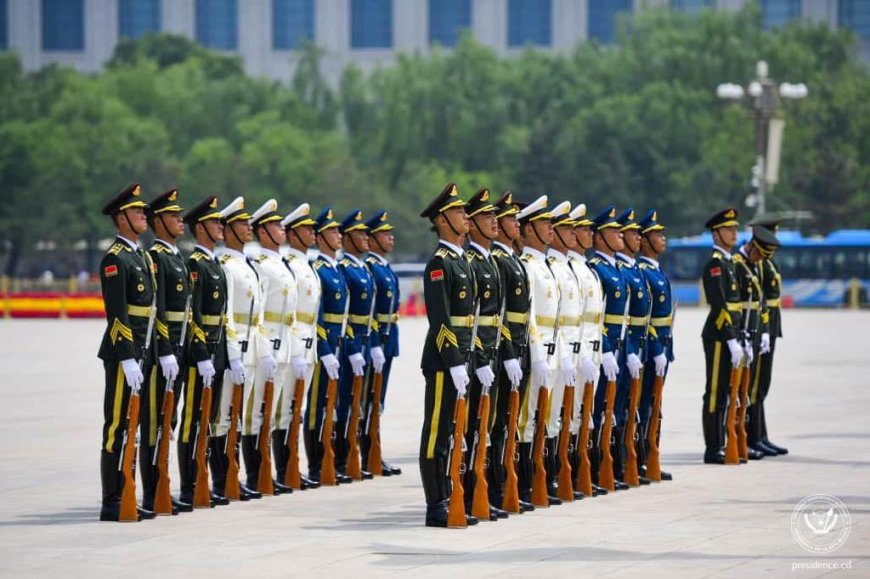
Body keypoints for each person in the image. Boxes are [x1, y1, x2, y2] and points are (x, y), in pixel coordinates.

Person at [418, 183, 478, 528]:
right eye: (458, 212)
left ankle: (452, 494)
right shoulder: (439, 264)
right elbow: (440, 320)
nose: (465, 216)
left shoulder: (462, 261)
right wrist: (455, 361)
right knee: (437, 433)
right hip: (443, 362)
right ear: (442, 221)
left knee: (455, 432)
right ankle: (435, 503)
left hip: (463, 358)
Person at [97, 183, 157, 522]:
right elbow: (116, 315)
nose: (144, 215)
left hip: (143, 352)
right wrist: (127, 356)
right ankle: (112, 499)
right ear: (121, 218)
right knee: (118, 425)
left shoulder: (142, 257)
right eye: (137, 212)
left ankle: (128, 492)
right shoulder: (115, 259)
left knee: (135, 424)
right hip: (125, 355)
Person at [215, 196, 271, 499]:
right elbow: (226, 316)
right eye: (241, 224)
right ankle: (221, 480)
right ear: (227, 230)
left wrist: (263, 353)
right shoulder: (226, 266)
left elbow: (257, 316)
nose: (248, 228)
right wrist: (234, 355)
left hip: (251, 350)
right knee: (223, 416)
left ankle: (235, 477)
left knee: (240, 415)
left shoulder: (247, 266)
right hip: (233, 350)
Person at [178, 196, 230, 507]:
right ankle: (189, 485)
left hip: (218, 349)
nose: (220, 227)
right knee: (192, 419)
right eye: (215, 222)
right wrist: (200, 354)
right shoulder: (195, 265)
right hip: (202, 354)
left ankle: (202, 482)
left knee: (209, 419)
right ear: (200, 228)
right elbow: (193, 316)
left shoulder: (214, 263)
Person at [463, 189, 509, 520]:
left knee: (488, 426)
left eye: (495, 217)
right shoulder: (471, 263)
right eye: (486, 217)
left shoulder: (492, 262)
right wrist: (479, 360)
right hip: (476, 358)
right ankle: (465, 496)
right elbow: (470, 321)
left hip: (493, 353)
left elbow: (499, 317)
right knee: (471, 429)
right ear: (471, 224)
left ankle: (485, 493)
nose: (494, 222)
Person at [516, 195, 564, 507]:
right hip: (538, 350)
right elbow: (530, 314)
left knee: (552, 417)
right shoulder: (528, 266)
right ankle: (524, 483)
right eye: (545, 224)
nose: (551, 229)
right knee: (528, 418)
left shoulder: (548, 266)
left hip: (555, 348)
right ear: (530, 229)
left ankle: (546, 478)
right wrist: (536, 352)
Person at [143, 189, 188, 514]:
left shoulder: (175, 256)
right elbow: (156, 310)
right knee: (155, 421)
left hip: (179, 349)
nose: (180, 220)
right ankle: (152, 491)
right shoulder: (156, 257)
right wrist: (165, 350)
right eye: (173, 216)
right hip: (164, 352)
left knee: (167, 420)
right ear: (158, 222)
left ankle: (162, 486)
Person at [247, 199, 296, 494]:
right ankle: (255, 475)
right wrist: (264, 348)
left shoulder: (281, 263)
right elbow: (259, 312)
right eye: (276, 226)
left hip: (287, 343)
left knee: (279, 411)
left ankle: (269, 471)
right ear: (263, 232)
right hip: (268, 344)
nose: (282, 229)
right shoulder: (262, 266)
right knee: (256, 413)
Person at [489, 192, 531, 513]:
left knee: (509, 420)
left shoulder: (512, 259)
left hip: (520, 347)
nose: (517, 224)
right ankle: (493, 486)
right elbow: (499, 315)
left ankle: (504, 483)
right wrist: (507, 352)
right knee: (496, 422)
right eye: (511, 219)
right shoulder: (499, 262)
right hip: (505, 351)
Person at [277, 203, 322, 490]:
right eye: (306, 228)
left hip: (308, 343)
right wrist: (294, 351)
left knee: (298, 408)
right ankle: (283, 469)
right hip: (294, 342)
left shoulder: (306, 264)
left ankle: (291, 466)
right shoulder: (291, 266)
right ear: (293, 234)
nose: (312, 232)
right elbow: (290, 313)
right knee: (283, 409)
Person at [307, 208, 353, 485]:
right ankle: (316, 465)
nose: (338, 236)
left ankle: (333, 460)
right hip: (326, 347)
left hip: (341, 344)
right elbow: (318, 316)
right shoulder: (319, 270)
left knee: (335, 405)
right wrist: (324, 350)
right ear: (320, 237)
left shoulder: (335, 268)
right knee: (317, 407)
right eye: (333, 231)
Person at [587, 206, 630, 491]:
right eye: (613, 231)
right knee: (600, 408)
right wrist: (603, 349)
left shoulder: (618, 269)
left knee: (618, 407)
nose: (619, 235)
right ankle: (595, 468)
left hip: (622, 347)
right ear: (600, 237)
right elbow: (596, 315)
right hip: (605, 349)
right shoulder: (597, 270)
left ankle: (614, 465)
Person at [567, 203, 607, 496]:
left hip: (588, 349)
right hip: (569, 351)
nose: (588, 233)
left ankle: (582, 474)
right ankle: (557, 477)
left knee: (584, 414)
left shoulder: (586, 269)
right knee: (562, 415)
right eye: (581, 229)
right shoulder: (569, 268)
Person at [732, 225, 780, 459]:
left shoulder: (752, 264)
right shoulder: (737, 264)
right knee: (746, 389)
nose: (761, 259)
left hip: (757, 331)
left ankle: (758, 436)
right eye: (759, 253)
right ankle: (748, 437)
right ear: (752, 246)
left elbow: (760, 303)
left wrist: (765, 330)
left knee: (759, 386)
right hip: (744, 333)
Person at [700, 208, 744, 465]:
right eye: (728, 229)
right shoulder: (715, 264)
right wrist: (730, 338)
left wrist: (741, 337)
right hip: (718, 336)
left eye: (735, 228)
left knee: (728, 391)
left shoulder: (729, 262)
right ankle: (713, 447)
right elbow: (719, 305)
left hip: (732, 335)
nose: (734, 233)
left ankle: (723, 442)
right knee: (715, 391)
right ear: (716, 233)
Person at [335, 210, 376, 481]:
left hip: (365, 342)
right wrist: (351, 348)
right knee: (343, 403)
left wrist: (371, 344)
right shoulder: (345, 270)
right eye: (359, 233)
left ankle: (354, 455)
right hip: (349, 345)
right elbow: (346, 316)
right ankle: (339, 459)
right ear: (348, 238)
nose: (365, 237)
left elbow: (369, 316)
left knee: (361, 403)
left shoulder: (364, 269)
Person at [545, 201, 582, 501]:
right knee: (545, 417)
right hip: (552, 352)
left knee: (566, 415)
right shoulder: (552, 268)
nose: (572, 233)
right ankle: (543, 477)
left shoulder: (568, 268)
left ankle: (559, 474)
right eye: (567, 228)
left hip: (572, 352)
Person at [362, 210, 403, 476]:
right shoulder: (371, 268)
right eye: (384, 235)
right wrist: (375, 341)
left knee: (379, 400)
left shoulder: (384, 268)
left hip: (389, 339)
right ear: (372, 239)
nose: (391, 238)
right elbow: (370, 312)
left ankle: (374, 451)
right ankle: (366, 452)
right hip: (376, 340)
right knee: (368, 398)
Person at [614, 208, 652, 486]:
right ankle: (615, 464)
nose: (638, 237)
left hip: (639, 346)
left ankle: (634, 460)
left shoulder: (635, 270)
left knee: (638, 407)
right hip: (617, 348)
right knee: (614, 409)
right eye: (631, 233)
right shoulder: (618, 271)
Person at [636, 209, 674, 481]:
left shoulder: (657, 271)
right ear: (645, 240)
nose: (663, 239)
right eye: (657, 235)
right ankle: (638, 458)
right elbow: (644, 317)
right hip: (651, 349)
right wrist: (656, 348)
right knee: (644, 405)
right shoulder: (644, 272)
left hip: (662, 346)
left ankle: (652, 456)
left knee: (655, 404)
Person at [747, 218, 788, 456]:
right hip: (762, 325)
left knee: (762, 385)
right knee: (755, 386)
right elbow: (759, 299)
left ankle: (761, 435)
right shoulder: (760, 262)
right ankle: (754, 436)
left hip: (770, 326)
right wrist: (762, 328)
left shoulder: (768, 261)